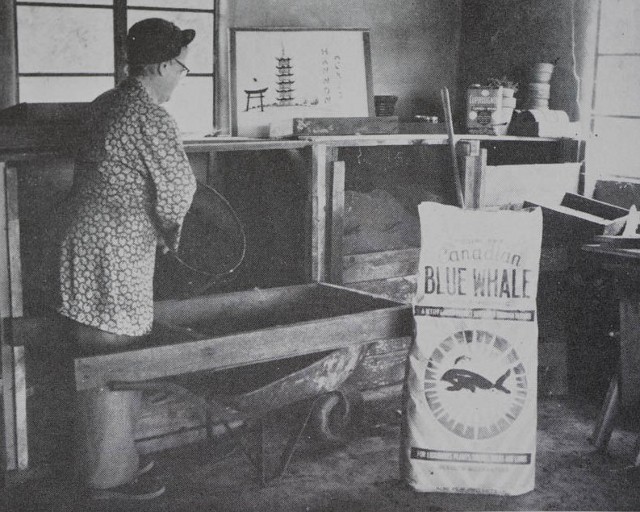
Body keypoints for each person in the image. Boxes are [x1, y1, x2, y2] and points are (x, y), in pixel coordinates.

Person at [56, 18, 197, 501]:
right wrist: (172, 233)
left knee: (98, 348)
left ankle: (114, 458)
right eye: (181, 66)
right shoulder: (150, 116)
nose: (182, 75)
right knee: (113, 358)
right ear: (160, 65)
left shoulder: (107, 103)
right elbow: (178, 189)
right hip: (116, 249)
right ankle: (109, 477)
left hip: (85, 241)